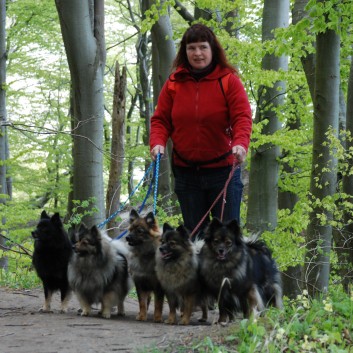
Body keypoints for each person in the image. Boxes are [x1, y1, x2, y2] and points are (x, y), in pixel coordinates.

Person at [149, 23, 252, 238]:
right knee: (195, 239)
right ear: (184, 52)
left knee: (227, 240)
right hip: (187, 173)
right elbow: (160, 120)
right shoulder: (174, 83)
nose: (197, 53)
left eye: (203, 47)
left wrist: (240, 144)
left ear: (213, 49)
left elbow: (242, 117)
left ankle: (229, 274)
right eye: (191, 48)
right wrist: (157, 142)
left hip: (224, 171)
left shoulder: (228, 80)